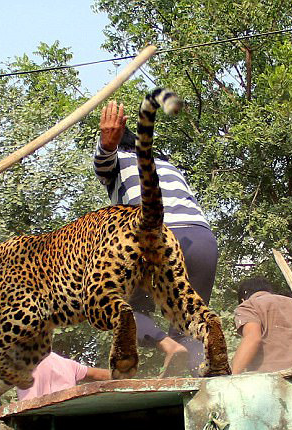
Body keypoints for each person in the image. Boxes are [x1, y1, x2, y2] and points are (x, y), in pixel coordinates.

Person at [93, 100, 219, 376]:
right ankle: (209, 383)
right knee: (189, 324)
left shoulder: (120, 163)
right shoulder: (166, 165)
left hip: (159, 238)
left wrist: (106, 144)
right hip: (201, 239)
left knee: (112, 306)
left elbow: (103, 163)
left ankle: (167, 346)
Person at [232, 277, 292, 374]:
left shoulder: (249, 305)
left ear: (242, 299)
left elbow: (252, 338)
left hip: (274, 380)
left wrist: (232, 376)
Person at [16, 352, 111, 401]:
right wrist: (124, 374)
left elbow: (25, 405)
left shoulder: (26, 366)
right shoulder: (64, 363)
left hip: (45, 425)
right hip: (69, 419)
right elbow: (99, 375)